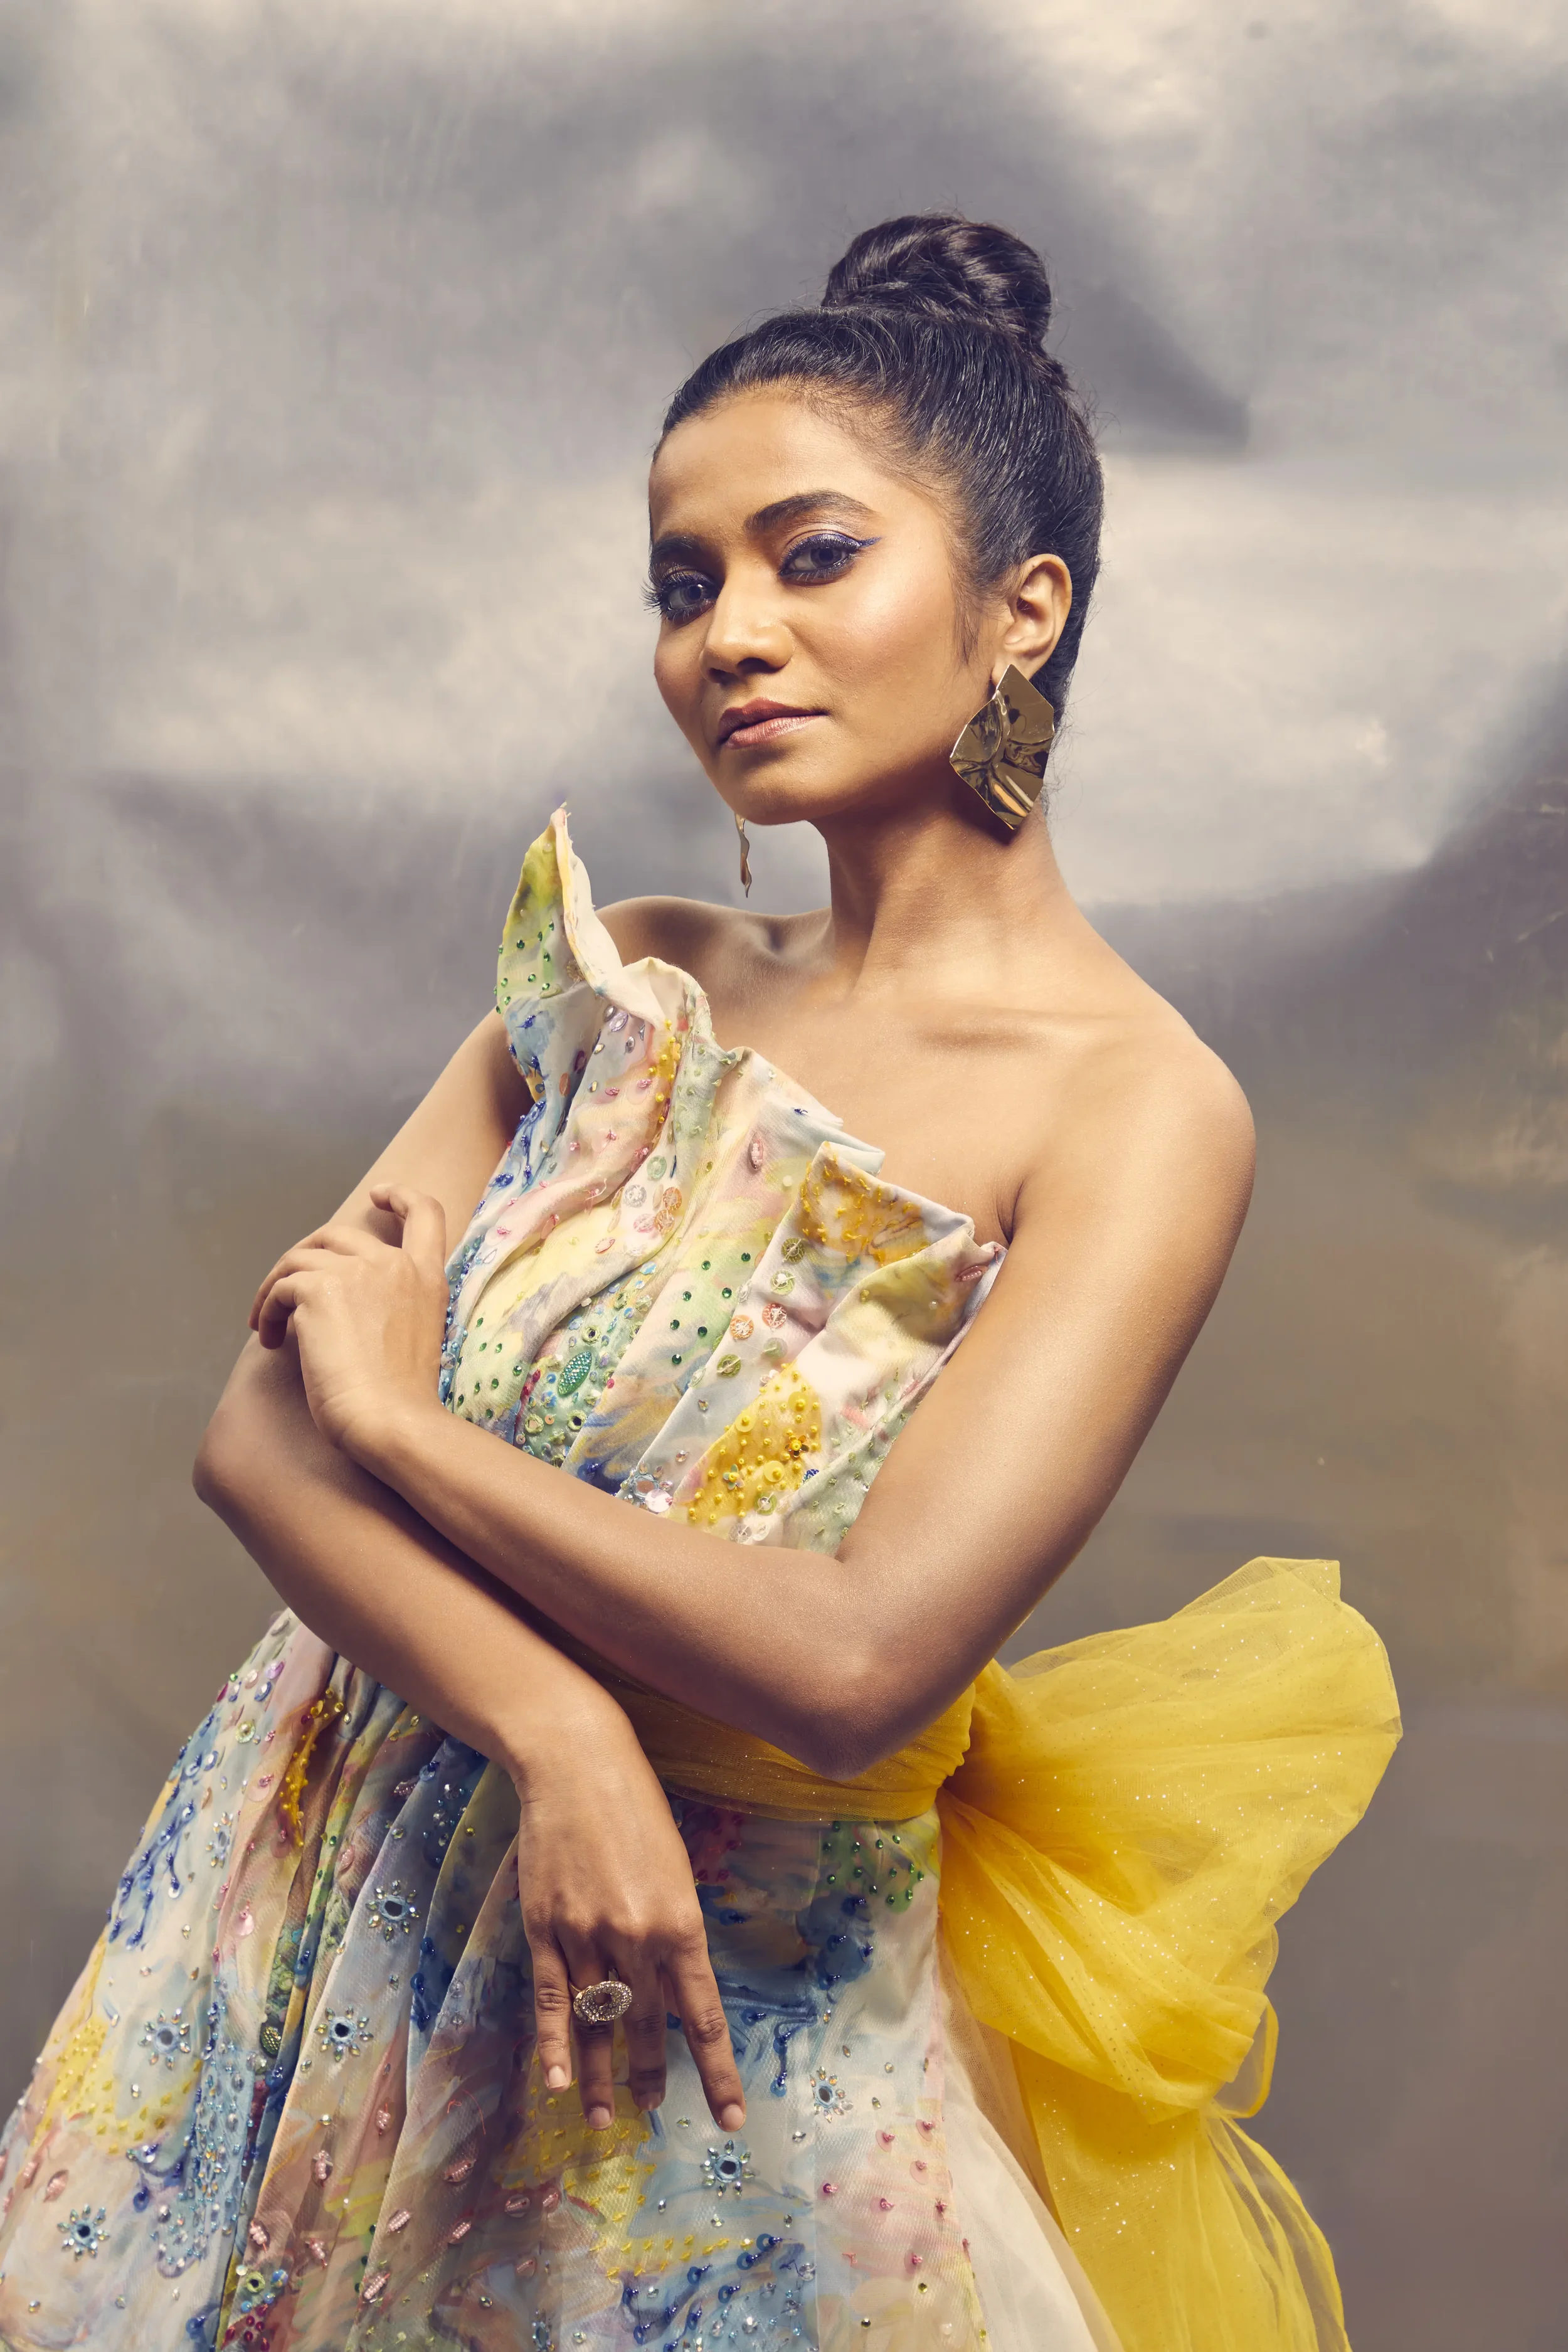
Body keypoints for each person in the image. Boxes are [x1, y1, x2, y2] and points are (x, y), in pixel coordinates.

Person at [0, 216, 1398, 2352]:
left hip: (700, 2005)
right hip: (322, 1905)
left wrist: (395, 1418)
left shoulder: (1134, 1107)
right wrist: (555, 1722)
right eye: (683, 582)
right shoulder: (617, 982)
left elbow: (853, 1660)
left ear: (1024, 609)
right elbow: (244, 1446)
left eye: (810, 555)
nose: (729, 632)